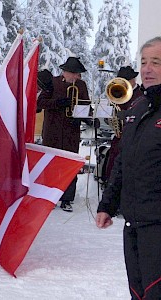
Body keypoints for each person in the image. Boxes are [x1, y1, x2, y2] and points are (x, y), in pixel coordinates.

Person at [96, 36, 161, 299]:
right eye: (144, 62)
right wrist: (107, 205)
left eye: (156, 62)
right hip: (134, 224)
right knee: (138, 292)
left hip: (158, 226)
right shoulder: (137, 107)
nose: (147, 68)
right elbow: (123, 161)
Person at [37, 57, 90, 212]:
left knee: (70, 165)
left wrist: (89, 118)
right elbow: (40, 103)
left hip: (71, 131)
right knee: (51, 165)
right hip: (52, 131)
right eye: (74, 73)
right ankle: (50, 197)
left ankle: (67, 199)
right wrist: (58, 103)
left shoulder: (81, 85)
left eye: (78, 74)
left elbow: (85, 104)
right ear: (65, 71)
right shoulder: (52, 82)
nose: (76, 77)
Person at [104, 66, 143, 183]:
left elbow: (142, 113)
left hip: (135, 138)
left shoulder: (141, 94)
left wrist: (126, 114)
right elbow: (112, 110)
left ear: (133, 80)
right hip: (120, 136)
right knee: (113, 160)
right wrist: (110, 117)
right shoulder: (118, 92)